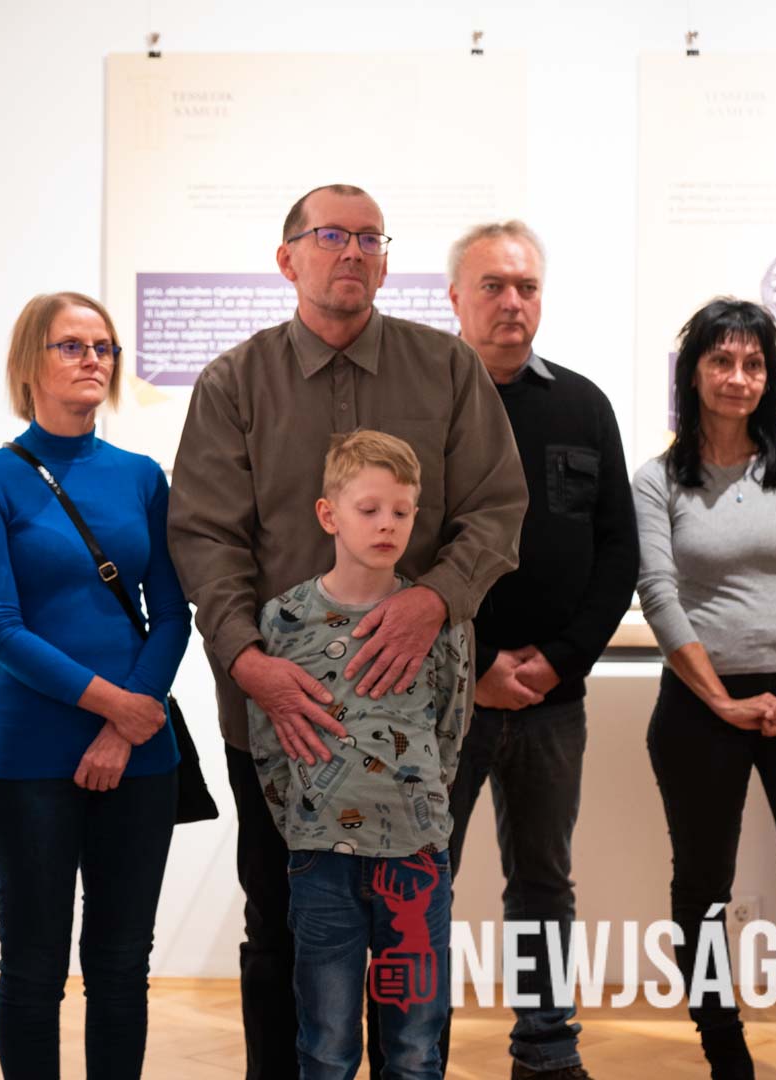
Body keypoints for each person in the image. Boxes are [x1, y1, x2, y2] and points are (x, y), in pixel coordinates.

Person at [167, 182, 527, 1079]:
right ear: (286, 257)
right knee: (281, 926)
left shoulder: (446, 370)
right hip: (276, 715)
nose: (353, 252)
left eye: (370, 239)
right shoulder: (234, 383)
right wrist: (248, 663)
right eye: (331, 235)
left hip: (409, 717)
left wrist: (434, 598)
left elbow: (496, 509)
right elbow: (205, 537)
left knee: (410, 936)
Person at [0, 291, 191, 1079]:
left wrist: (124, 728)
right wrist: (117, 707)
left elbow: (172, 614)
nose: (92, 359)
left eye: (103, 347)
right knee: (33, 969)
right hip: (30, 757)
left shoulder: (140, 477)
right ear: (29, 362)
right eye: (71, 345)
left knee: (122, 966)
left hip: (140, 759)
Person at [443, 221, 638, 1080]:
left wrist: (561, 658)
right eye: (491, 285)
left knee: (542, 885)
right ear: (455, 298)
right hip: (445, 696)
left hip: (553, 699)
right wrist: (477, 661)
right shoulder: (427, 408)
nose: (510, 302)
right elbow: (399, 555)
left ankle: (546, 1050)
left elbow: (617, 550)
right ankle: (416, 1051)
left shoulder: (582, 406)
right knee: (423, 880)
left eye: (524, 286)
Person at [634, 297, 776, 1078]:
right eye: (720, 360)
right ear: (692, 372)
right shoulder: (656, 480)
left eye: (752, 363)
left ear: (769, 375)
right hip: (699, 708)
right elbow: (657, 593)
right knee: (701, 887)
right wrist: (720, 700)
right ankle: (724, 1051)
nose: (736, 377)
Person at [251, 429, 469, 1079]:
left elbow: (451, 725)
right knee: (325, 1044)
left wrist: (421, 803)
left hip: (416, 860)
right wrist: (302, 822)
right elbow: (267, 740)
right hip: (321, 859)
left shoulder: (438, 619)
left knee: (414, 1048)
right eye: (369, 509)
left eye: (401, 512)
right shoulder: (284, 620)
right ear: (329, 515)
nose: (386, 525)